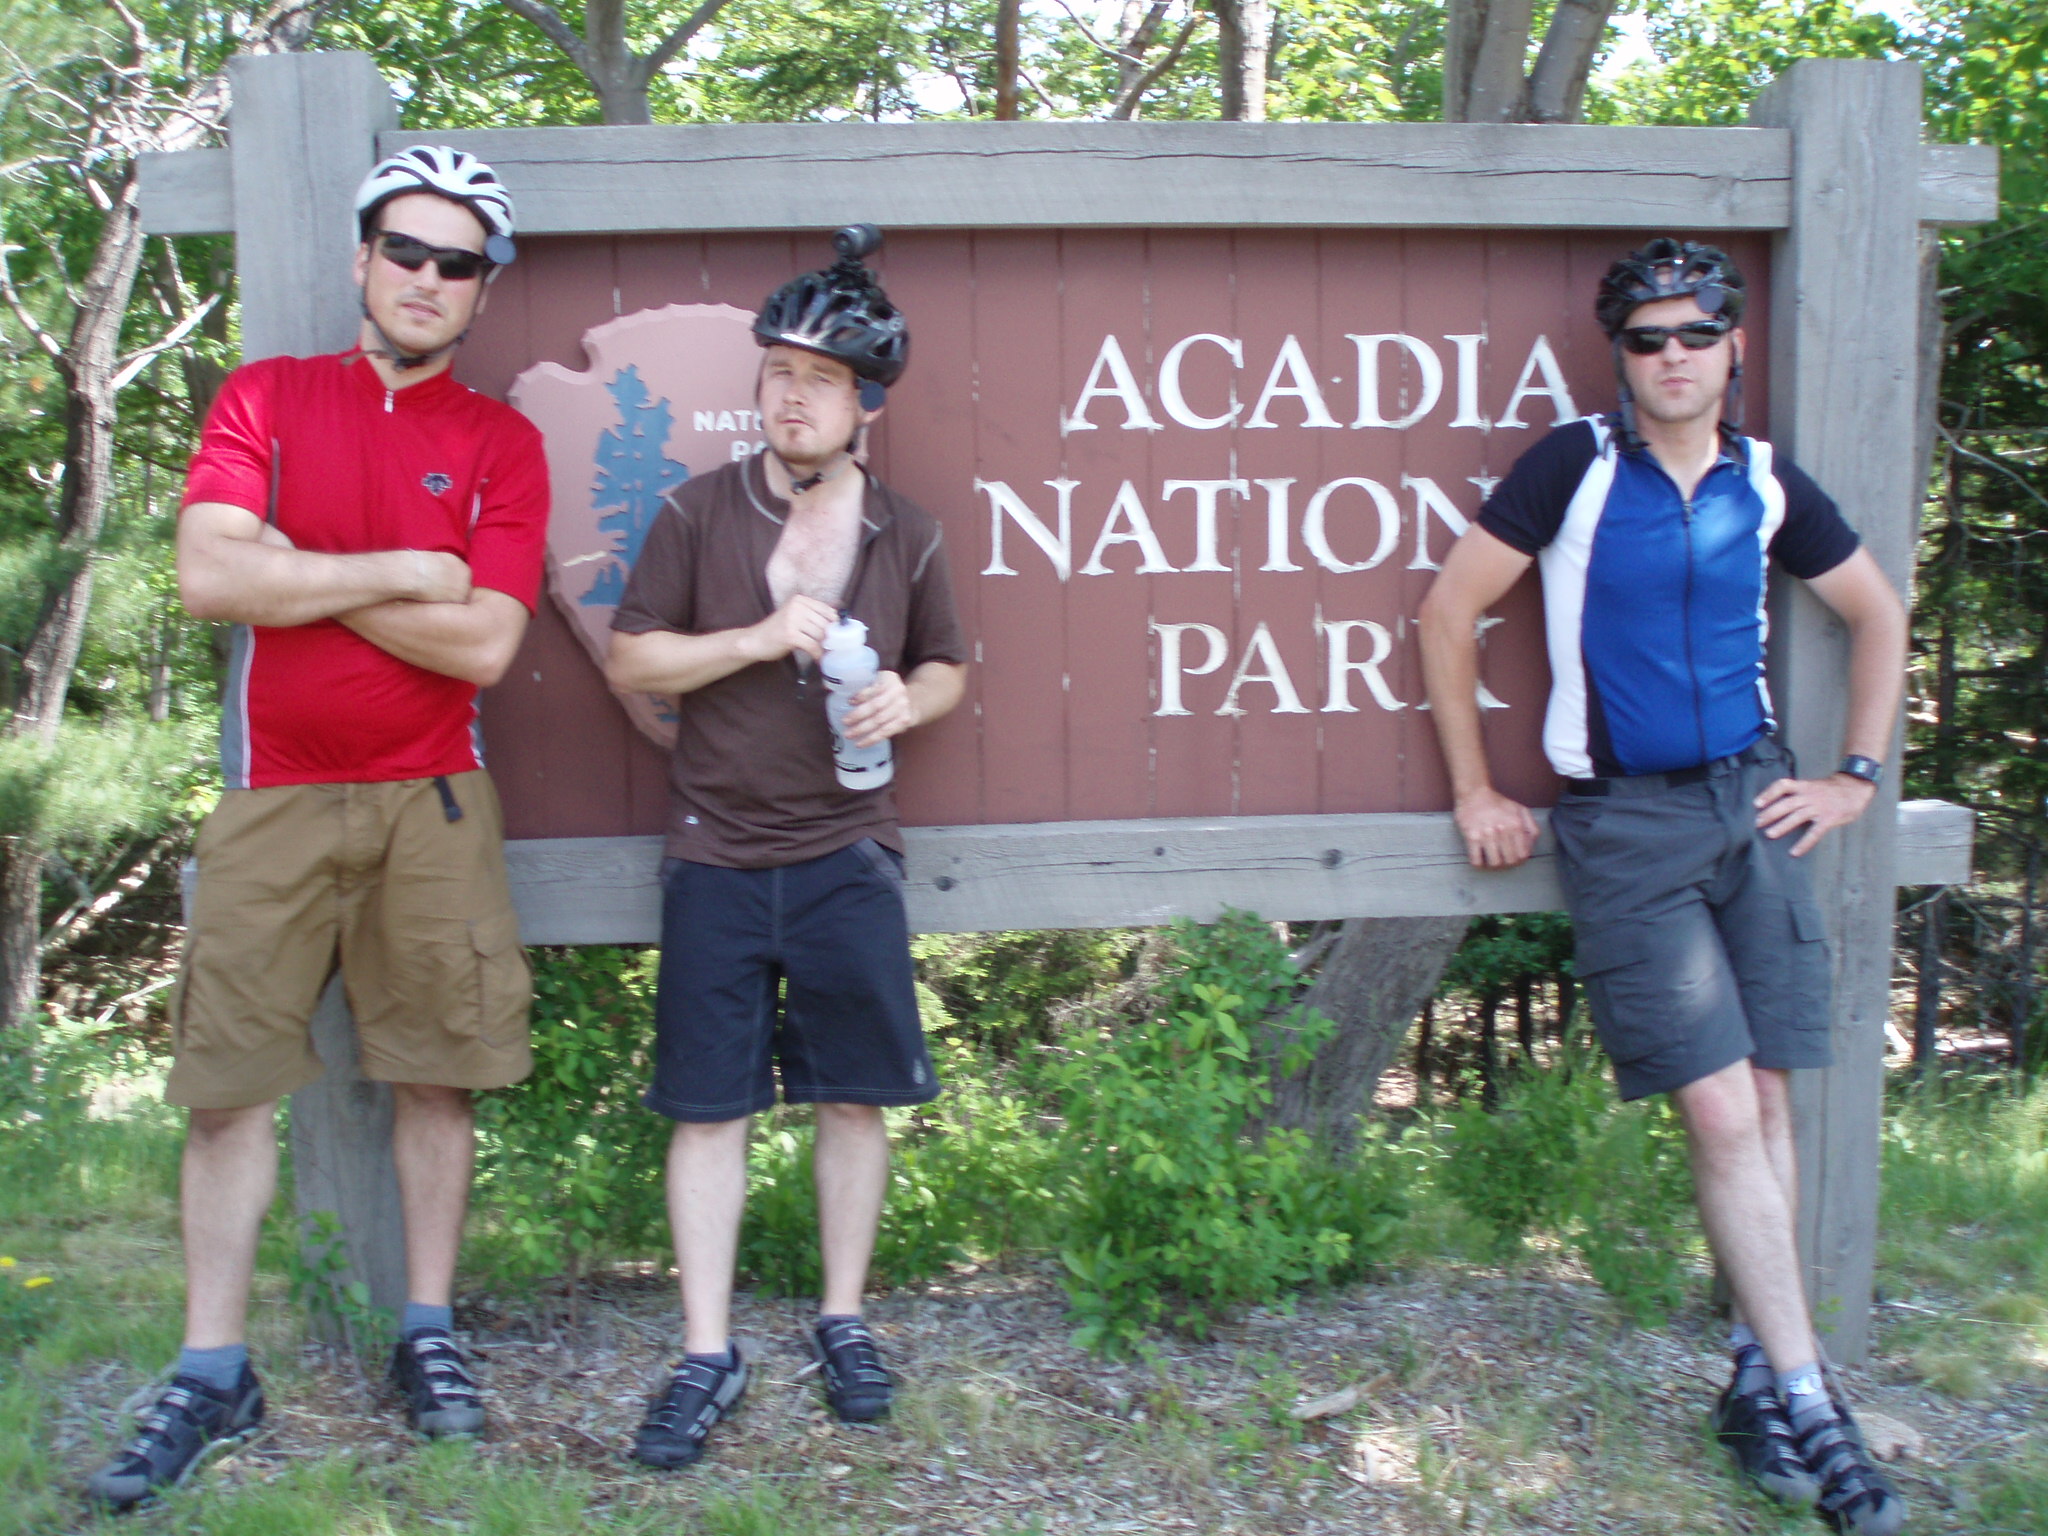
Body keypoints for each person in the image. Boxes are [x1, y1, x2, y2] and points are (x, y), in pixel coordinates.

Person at [1417, 239, 1909, 1536]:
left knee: (1768, 1091)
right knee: (1719, 1113)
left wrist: (1857, 774)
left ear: (1733, 345)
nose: (1674, 354)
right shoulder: (1571, 468)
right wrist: (1476, 789)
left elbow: (1878, 612)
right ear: (1619, 354)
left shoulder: (1761, 480)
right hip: (1625, 825)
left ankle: (1757, 1375)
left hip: (1754, 805)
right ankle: (1812, 1399)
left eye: (1697, 332)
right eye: (1648, 337)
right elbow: (1447, 610)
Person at [88, 147, 549, 1509]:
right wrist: (403, 568)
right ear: (361, 260)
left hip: (436, 800)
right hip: (271, 794)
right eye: (403, 250)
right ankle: (213, 1367)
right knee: (226, 1090)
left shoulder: (500, 441)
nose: (425, 278)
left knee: (435, 1076)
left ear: (481, 291)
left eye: (455, 263)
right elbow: (204, 572)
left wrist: (293, 574)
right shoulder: (268, 398)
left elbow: (484, 644)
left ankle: (427, 1335)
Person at [605, 225, 968, 1470]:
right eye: (777, 372)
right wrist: (757, 638)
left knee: (850, 1097)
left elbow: (947, 664)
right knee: (707, 1111)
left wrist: (905, 704)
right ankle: (706, 1350)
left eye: (820, 378)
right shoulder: (695, 514)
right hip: (712, 852)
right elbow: (634, 658)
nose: (793, 395)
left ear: (863, 400)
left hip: (843, 851)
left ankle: (843, 1319)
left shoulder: (906, 533)